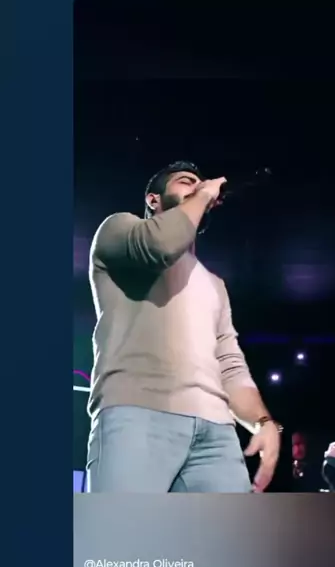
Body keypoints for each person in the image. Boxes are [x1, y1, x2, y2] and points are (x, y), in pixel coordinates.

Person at [86, 160, 282, 493]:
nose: (198, 186)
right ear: (153, 199)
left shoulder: (215, 285)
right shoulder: (119, 229)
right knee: (126, 527)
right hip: (137, 415)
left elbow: (230, 364)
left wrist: (262, 422)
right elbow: (159, 246)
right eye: (185, 181)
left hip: (217, 434)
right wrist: (203, 194)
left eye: (200, 182)